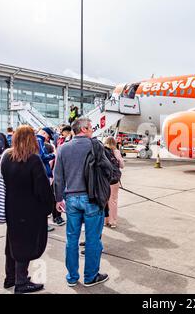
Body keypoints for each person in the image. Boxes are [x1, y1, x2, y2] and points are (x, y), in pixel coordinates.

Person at [54, 118, 109, 288]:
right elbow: (108, 169)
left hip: (71, 198)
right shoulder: (95, 145)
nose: (92, 130)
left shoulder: (63, 148)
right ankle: (90, 276)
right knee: (93, 239)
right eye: (91, 128)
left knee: (71, 239)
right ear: (84, 129)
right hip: (92, 198)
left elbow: (58, 177)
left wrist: (58, 198)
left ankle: (72, 276)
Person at [0, 125, 54, 294]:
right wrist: (49, 207)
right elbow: (43, 189)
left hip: (11, 207)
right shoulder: (33, 159)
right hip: (30, 210)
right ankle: (21, 282)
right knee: (26, 245)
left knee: (12, 243)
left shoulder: (7, 157)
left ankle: (10, 278)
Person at [36, 127, 56, 233]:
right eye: (48, 136)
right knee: (43, 200)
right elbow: (42, 157)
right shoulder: (39, 140)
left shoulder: (36, 140)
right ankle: (43, 224)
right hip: (43, 173)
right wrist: (54, 155)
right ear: (44, 133)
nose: (48, 139)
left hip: (40, 173)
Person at [103, 137, 124, 228]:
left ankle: (105, 220)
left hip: (104, 180)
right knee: (113, 201)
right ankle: (113, 221)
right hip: (114, 180)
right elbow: (122, 165)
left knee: (105, 201)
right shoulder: (116, 152)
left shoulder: (102, 151)